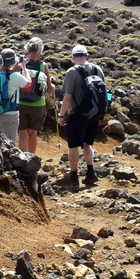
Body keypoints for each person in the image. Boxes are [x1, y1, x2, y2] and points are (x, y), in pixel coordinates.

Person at [57, 45, 105, 189]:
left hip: (76, 114)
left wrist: (61, 115)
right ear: (86, 55)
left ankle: (73, 175)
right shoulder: (98, 69)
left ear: (73, 57)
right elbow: (105, 92)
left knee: (73, 145)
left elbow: (68, 97)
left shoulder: (72, 72)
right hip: (94, 114)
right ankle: (91, 173)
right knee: (87, 144)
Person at [16, 38, 54, 154]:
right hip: (38, 105)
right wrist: (53, 84)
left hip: (21, 103)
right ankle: (31, 159)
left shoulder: (22, 65)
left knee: (22, 133)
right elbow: (49, 89)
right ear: (40, 51)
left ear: (28, 50)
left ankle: (23, 160)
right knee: (33, 133)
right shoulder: (43, 66)